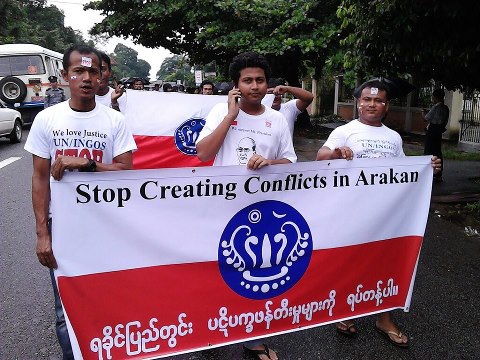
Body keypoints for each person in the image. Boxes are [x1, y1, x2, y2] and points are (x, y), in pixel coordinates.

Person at [24, 44, 137, 360]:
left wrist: (87, 164)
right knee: (65, 310)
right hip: (64, 229)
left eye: (93, 71)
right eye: (78, 71)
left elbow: (127, 173)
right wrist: (42, 234)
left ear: (102, 76)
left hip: (109, 228)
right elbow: (39, 179)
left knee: (109, 302)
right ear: (65, 76)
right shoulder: (47, 119)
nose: (86, 78)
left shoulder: (115, 122)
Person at [316, 79, 441, 348]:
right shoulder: (346, 131)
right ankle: (346, 312)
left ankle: (383, 318)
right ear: (358, 103)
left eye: (379, 101)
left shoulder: (393, 137)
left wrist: (427, 167)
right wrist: (336, 153)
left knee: (385, 264)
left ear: (386, 106)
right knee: (351, 262)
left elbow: (404, 171)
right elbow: (320, 157)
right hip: (351, 213)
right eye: (367, 100)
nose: (372, 104)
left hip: (385, 215)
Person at [196, 51, 296, 360]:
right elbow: (202, 154)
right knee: (215, 270)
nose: (255, 86)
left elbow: (290, 161)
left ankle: (253, 339)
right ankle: (207, 334)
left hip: (261, 209)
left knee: (253, 271)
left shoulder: (276, 119)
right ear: (236, 85)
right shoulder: (220, 112)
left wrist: (270, 162)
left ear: (268, 84)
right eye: (247, 80)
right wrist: (230, 115)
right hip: (220, 207)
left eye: (260, 80)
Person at [423, 88, 449, 182]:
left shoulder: (436, 107)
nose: (432, 98)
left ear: (436, 97)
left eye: (433, 96)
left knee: (429, 151)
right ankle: (438, 173)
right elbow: (444, 121)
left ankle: (429, 172)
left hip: (432, 131)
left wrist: (423, 113)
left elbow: (427, 118)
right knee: (438, 152)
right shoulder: (446, 108)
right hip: (439, 132)